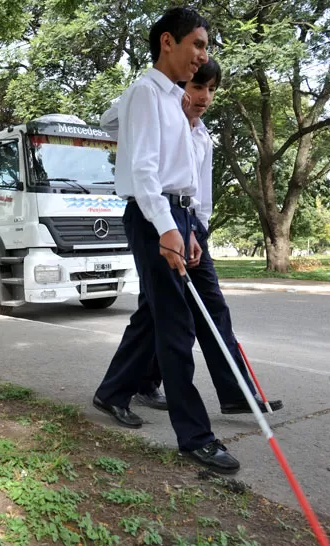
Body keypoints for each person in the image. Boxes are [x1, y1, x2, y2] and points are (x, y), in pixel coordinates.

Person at [90, 7, 241, 474]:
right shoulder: (144, 94)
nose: (203, 56)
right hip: (153, 215)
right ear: (167, 42)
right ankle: (195, 436)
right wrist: (167, 226)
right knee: (175, 327)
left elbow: (183, 178)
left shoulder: (176, 101)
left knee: (162, 318)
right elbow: (144, 171)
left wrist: (190, 226)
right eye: (197, 44)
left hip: (176, 215)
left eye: (206, 47)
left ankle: (113, 391)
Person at [108, 59, 285, 416]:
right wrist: (166, 98)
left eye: (211, 89)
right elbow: (111, 122)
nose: (204, 97)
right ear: (180, 87)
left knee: (200, 309)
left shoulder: (202, 135)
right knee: (168, 315)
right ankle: (123, 392)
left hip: (189, 223)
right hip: (156, 217)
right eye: (196, 87)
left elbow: (201, 192)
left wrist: (198, 231)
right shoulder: (153, 104)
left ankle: (234, 392)